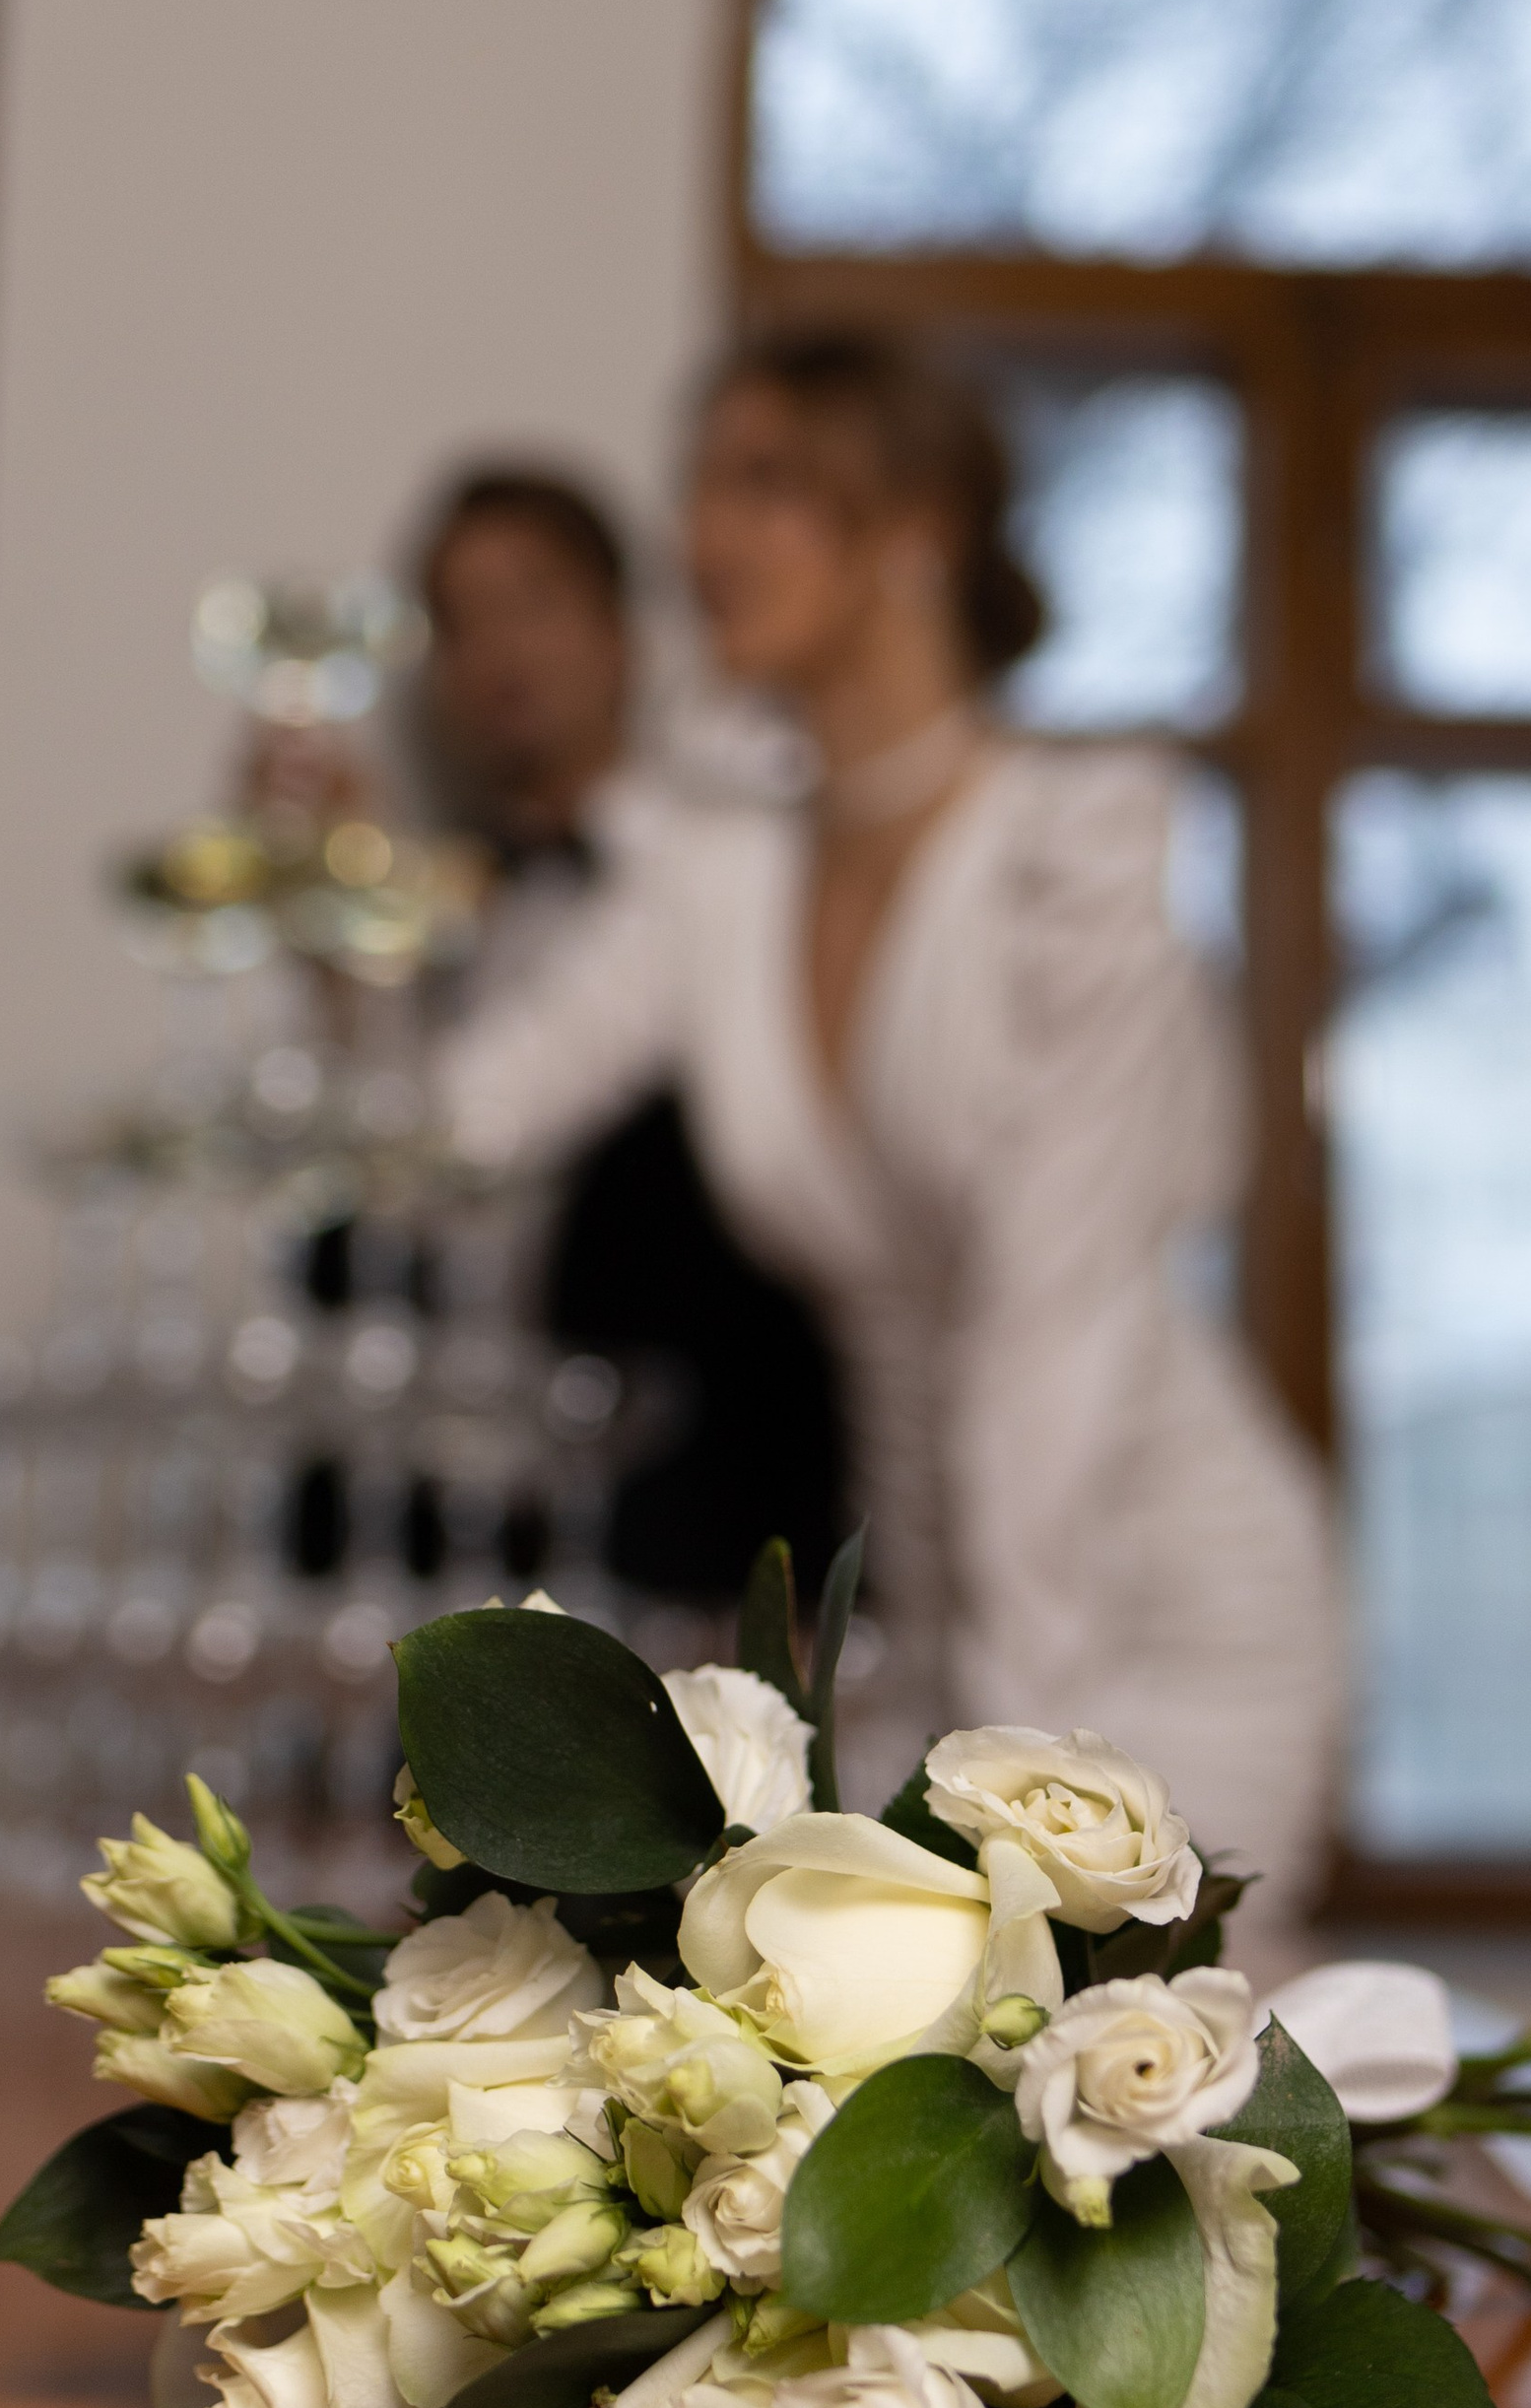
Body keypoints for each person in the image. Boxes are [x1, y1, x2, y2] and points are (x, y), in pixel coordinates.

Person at [437, 335, 1344, 1908]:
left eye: (767, 482)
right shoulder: (722, 871)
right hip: (918, 1628)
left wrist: (1014, 1768)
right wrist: (310, 927)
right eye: (702, 485)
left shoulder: (1077, 852)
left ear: (918, 527)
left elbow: (1056, 1331)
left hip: (1157, 1606)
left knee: (1123, 2096)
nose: (703, 537)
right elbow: (467, 1119)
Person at [415, 463, 844, 1605]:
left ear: (621, 632)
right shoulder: (435, 919)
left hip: (705, 1546)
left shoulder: (721, 871)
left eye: (530, 602)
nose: (498, 650)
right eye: (460, 621)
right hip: (476, 1543)